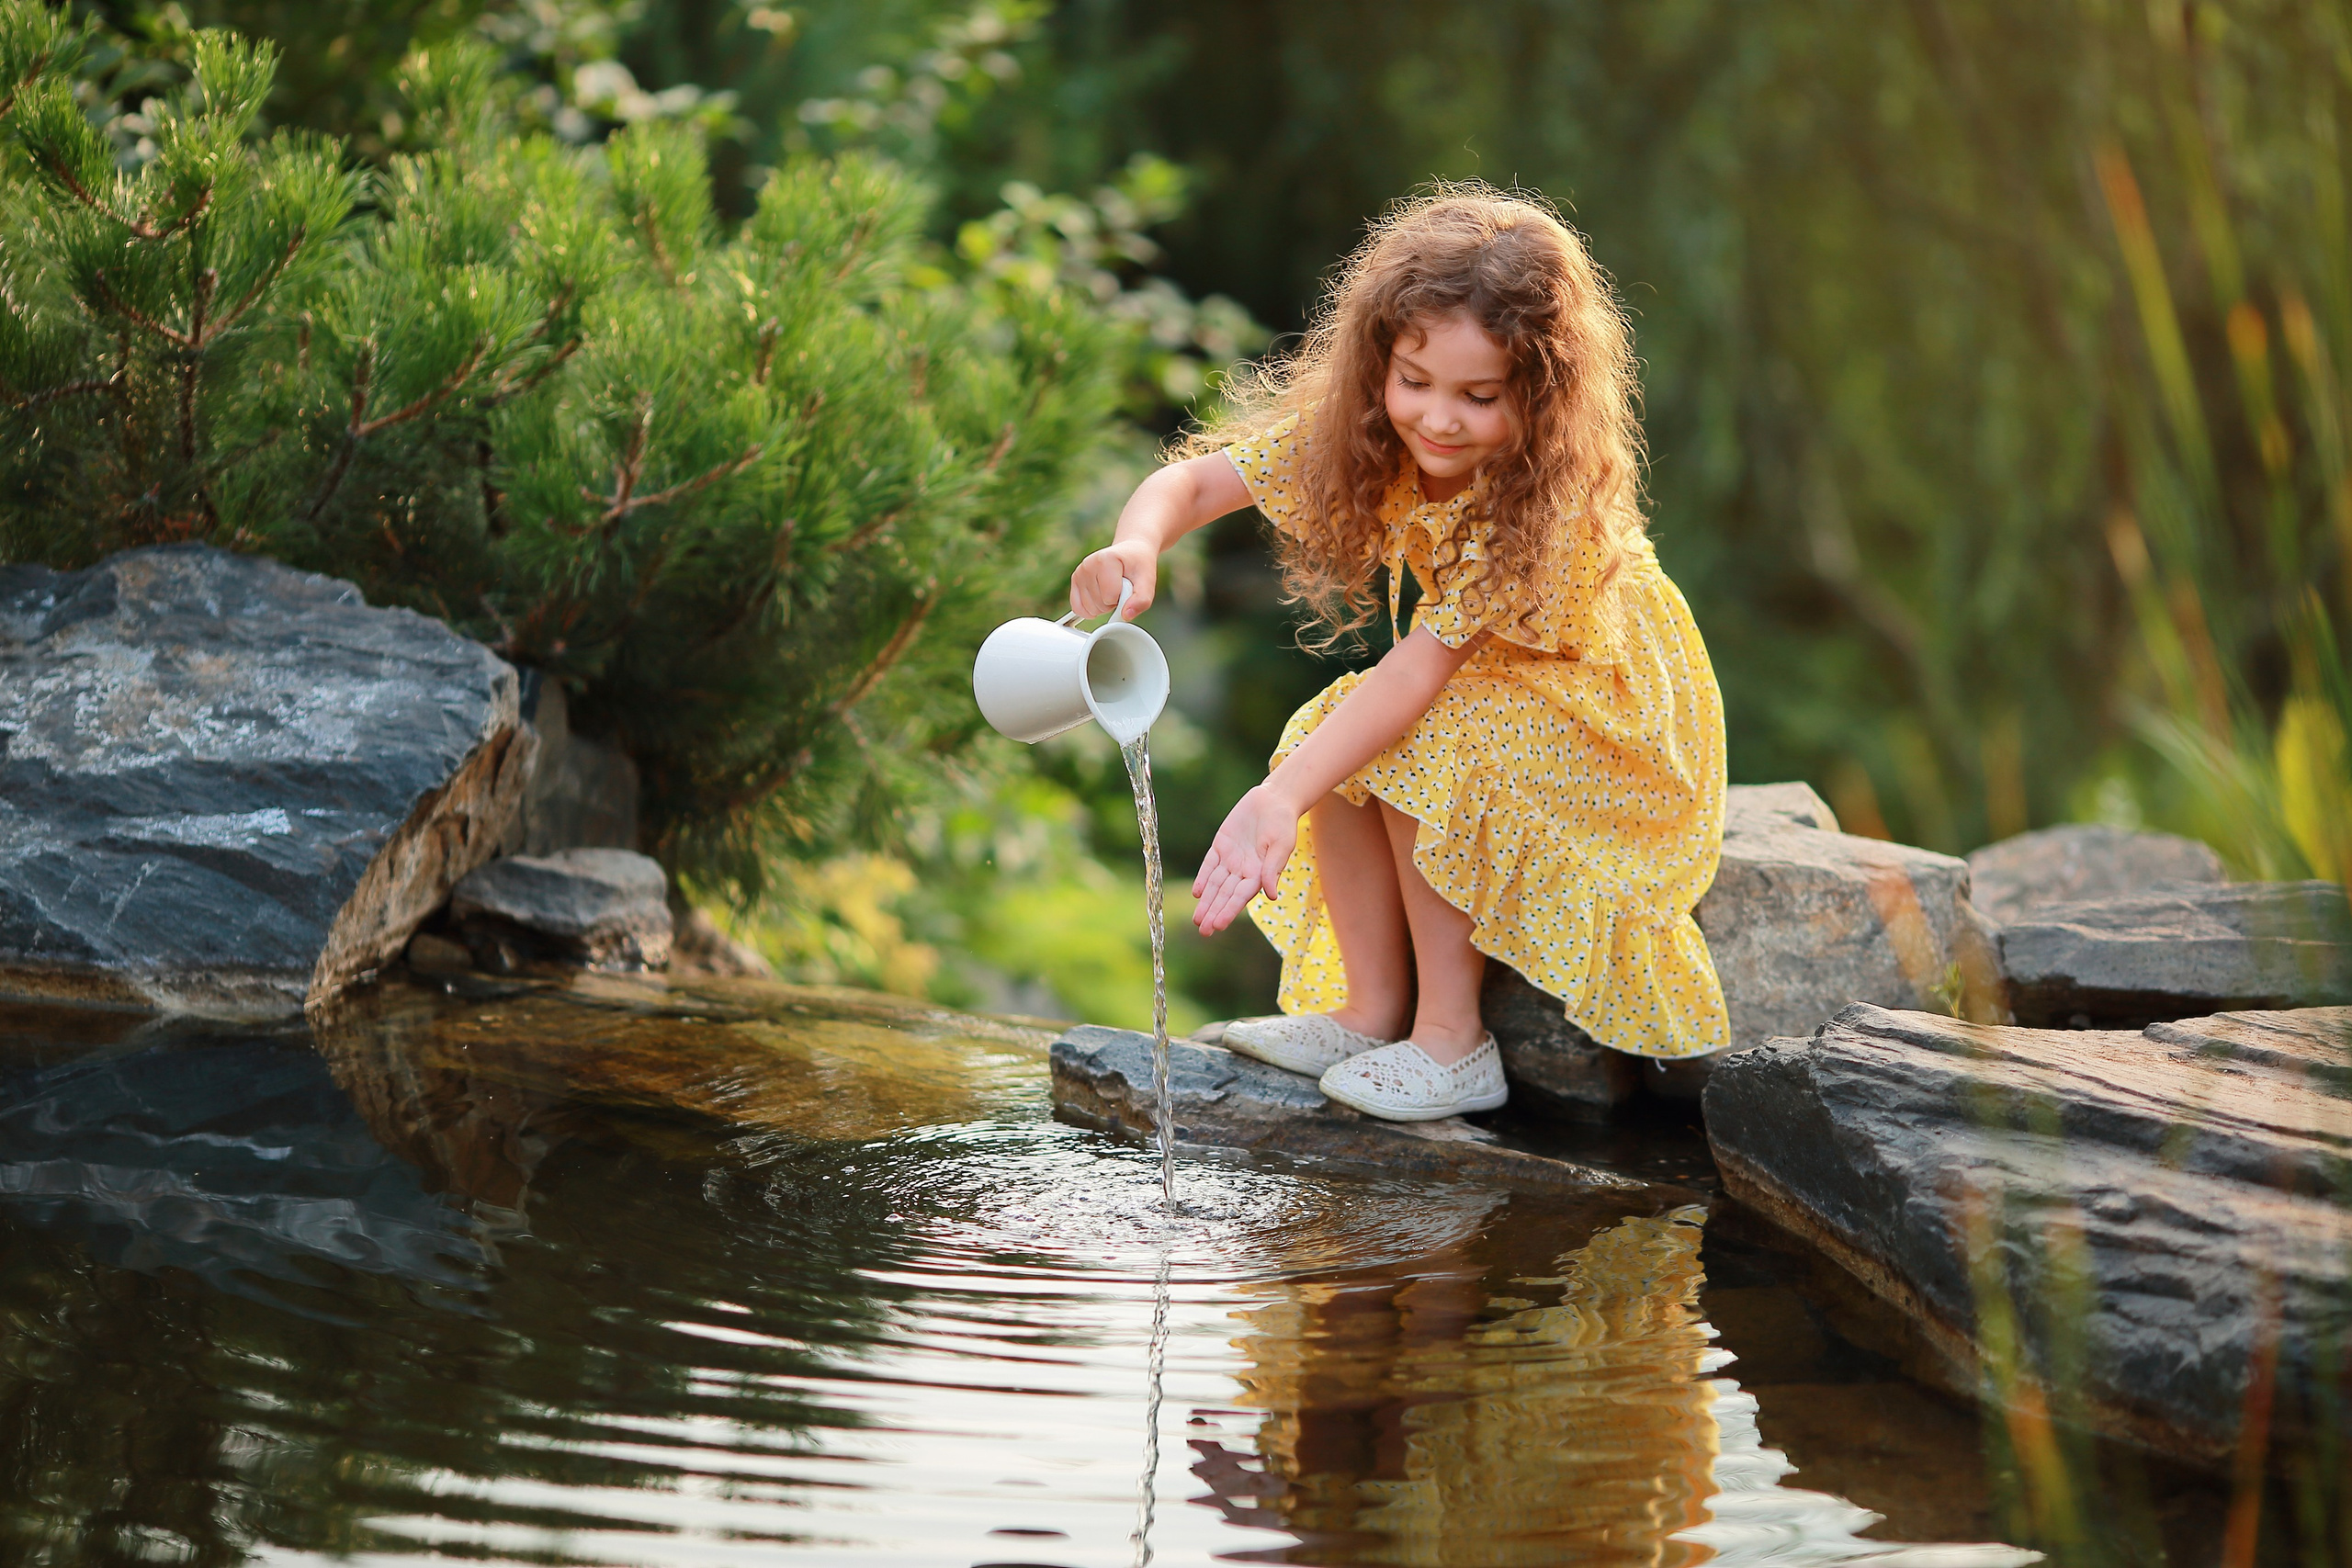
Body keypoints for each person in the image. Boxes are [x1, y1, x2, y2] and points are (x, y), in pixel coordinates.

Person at [1067, 185, 1727, 1122]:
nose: (1439, 418)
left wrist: (1280, 796)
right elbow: (1190, 483)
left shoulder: (1539, 508)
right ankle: (1370, 1009)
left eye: (1479, 396)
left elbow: (1416, 678)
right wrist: (1139, 545)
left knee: (1413, 743)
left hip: (1614, 720)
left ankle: (1452, 1041)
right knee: (1337, 731)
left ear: (1538, 396)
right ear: (1379, 360)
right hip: (1498, 689)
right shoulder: (1376, 431)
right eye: (1414, 381)